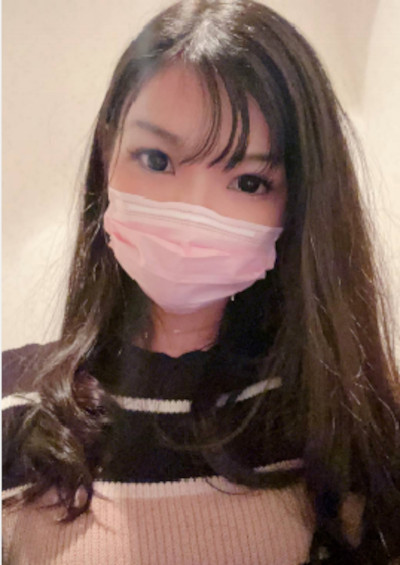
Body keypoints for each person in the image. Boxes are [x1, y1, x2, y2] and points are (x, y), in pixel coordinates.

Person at [3, 0, 400, 563]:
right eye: (156, 159)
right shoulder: (13, 405)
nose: (192, 211)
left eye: (249, 182)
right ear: (109, 153)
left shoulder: (350, 420)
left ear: (300, 204)